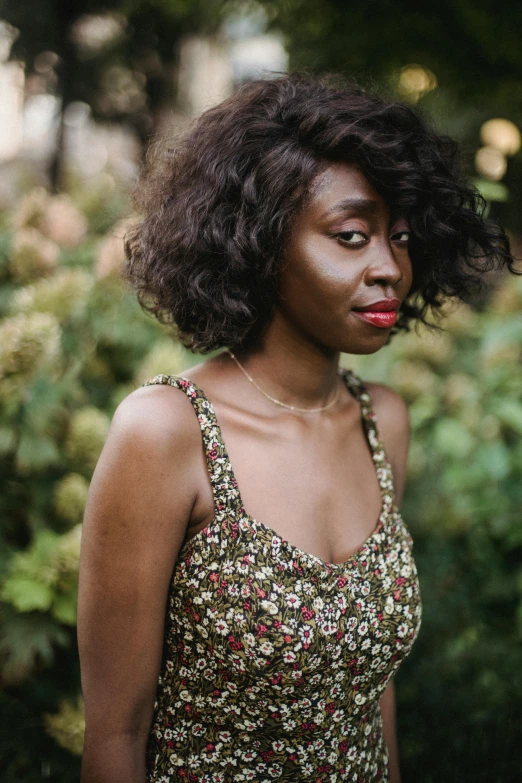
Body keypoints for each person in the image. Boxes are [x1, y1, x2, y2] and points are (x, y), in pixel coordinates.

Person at [77, 71, 517, 783]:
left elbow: (372, 691)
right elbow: (115, 732)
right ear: (260, 243)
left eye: (399, 237)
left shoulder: (382, 422)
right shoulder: (168, 432)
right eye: (351, 236)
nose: (389, 268)